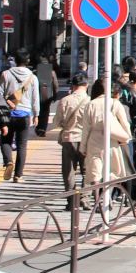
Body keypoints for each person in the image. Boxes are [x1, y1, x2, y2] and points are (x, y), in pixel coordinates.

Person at [74, 78, 132, 185]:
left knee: (95, 173)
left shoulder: (90, 104)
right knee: (112, 171)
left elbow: (86, 128)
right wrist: (126, 138)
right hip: (112, 139)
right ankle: (108, 196)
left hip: (94, 140)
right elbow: (125, 123)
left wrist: (83, 147)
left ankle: (97, 199)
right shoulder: (115, 103)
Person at [0, 57, 39, 181]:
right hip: (24, 113)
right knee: (22, 145)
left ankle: (8, 161)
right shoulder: (32, 77)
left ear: (15, 61)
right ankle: (18, 175)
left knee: (5, 140)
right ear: (27, 62)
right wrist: (36, 114)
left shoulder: (5, 74)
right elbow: (35, 97)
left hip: (8, 113)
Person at [50, 72, 90, 201]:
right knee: (87, 170)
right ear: (87, 85)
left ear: (73, 86)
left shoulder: (65, 100)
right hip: (86, 139)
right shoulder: (91, 101)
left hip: (68, 138)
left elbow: (56, 122)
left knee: (68, 171)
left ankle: (71, 200)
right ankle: (85, 197)